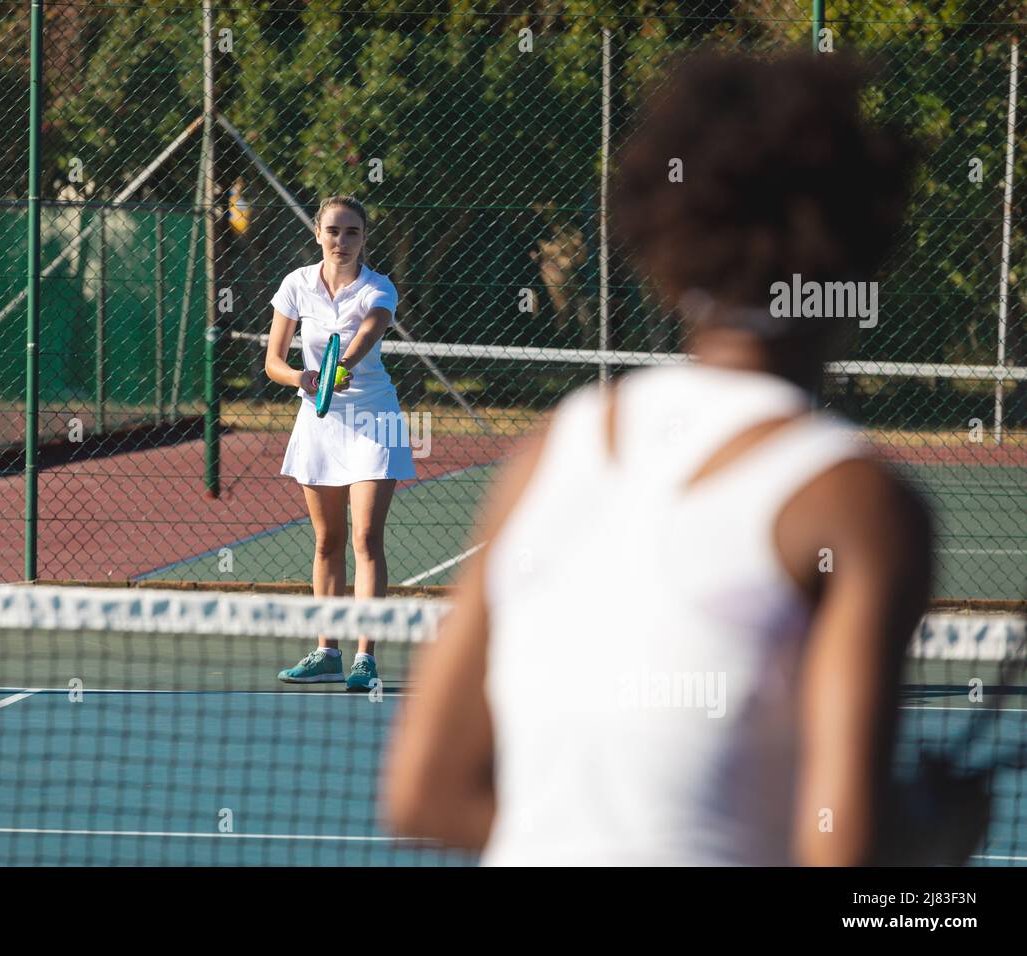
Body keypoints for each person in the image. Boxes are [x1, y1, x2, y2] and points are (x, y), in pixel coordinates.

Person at [381, 51, 973, 865]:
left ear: (668, 248)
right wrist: (936, 851)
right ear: (862, 252)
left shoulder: (553, 448)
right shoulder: (858, 503)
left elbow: (424, 793)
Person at [265, 195, 415, 691]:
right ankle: (327, 651)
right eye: (334, 231)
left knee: (366, 537)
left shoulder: (379, 287)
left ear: (364, 238)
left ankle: (365, 658)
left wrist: (341, 365)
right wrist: (305, 379)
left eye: (352, 232)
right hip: (319, 421)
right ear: (317, 234)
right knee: (327, 540)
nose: (342, 241)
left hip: (378, 419)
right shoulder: (295, 285)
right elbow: (273, 363)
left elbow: (372, 328)